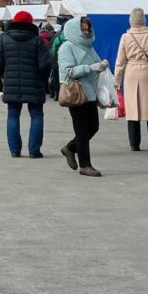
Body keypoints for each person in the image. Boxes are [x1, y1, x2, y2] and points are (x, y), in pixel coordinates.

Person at [0, 11, 51, 158]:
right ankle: (34, 150)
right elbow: (45, 64)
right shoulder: (37, 40)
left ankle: (15, 150)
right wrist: (42, 79)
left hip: (11, 81)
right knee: (37, 115)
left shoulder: (3, 39)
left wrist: (4, 75)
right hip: (35, 82)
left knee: (13, 115)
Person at [57, 15, 108, 177]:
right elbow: (68, 71)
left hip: (90, 93)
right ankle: (85, 165)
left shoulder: (89, 46)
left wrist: (101, 65)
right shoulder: (67, 47)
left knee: (93, 127)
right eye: (83, 30)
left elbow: (96, 63)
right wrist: (90, 68)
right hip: (76, 93)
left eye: (88, 29)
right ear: (74, 30)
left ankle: (70, 148)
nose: (86, 33)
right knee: (81, 130)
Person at [114, 8, 148, 152]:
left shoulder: (125, 37)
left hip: (131, 73)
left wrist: (117, 80)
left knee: (133, 109)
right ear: (144, 20)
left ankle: (134, 144)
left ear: (131, 20)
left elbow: (120, 61)